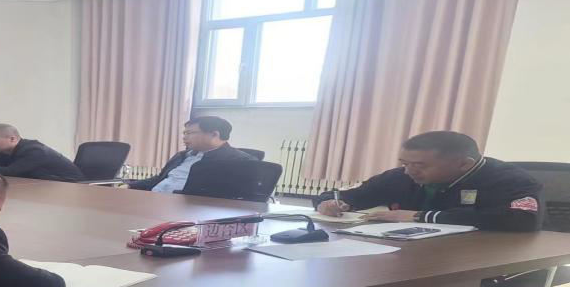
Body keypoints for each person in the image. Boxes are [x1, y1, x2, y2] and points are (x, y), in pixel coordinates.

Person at [313, 131, 543, 231]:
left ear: (464, 164)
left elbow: (522, 220)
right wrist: (332, 203)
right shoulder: (401, 176)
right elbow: (350, 194)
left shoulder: (509, 180)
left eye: (419, 165)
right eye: (405, 163)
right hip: (410, 253)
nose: (408, 171)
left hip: (478, 257)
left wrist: (420, 216)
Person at [127, 116, 256, 193]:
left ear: (214, 134)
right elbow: (160, 179)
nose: (184, 137)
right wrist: (129, 185)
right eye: (184, 133)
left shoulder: (240, 162)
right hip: (154, 201)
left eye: (190, 133)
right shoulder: (182, 156)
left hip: (186, 212)